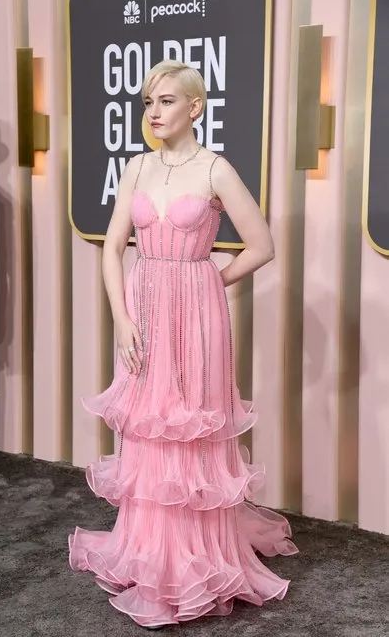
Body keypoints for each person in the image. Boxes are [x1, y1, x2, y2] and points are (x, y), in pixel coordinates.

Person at [69, 60, 298, 629]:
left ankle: (198, 557)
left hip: (196, 314)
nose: (153, 112)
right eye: (148, 102)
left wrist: (208, 280)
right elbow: (113, 246)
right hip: (144, 303)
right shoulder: (137, 167)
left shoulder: (216, 169)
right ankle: (149, 550)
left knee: (191, 422)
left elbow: (262, 245)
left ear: (194, 108)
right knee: (150, 420)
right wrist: (122, 318)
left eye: (166, 101)